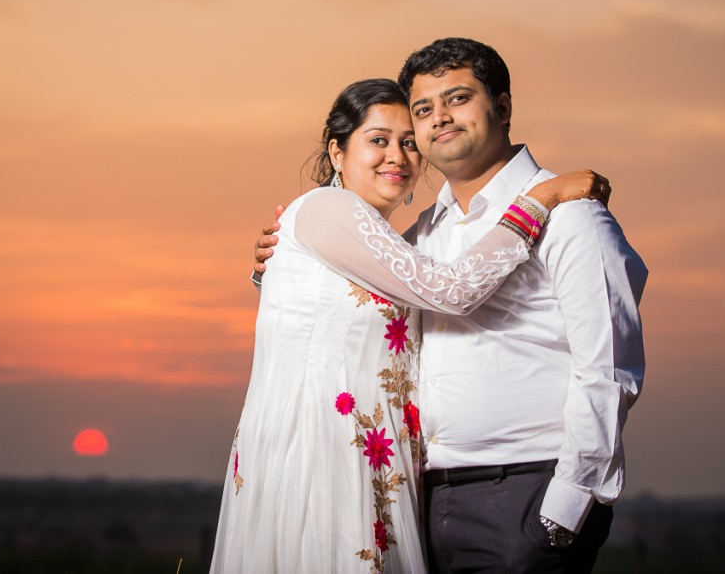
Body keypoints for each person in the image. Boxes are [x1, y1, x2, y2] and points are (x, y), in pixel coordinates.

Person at [255, 38, 647, 573]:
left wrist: (567, 506)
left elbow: (609, 370)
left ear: (502, 107)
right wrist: (277, 266)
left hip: (527, 494)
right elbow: (362, 304)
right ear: (337, 151)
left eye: (458, 98)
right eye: (423, 109)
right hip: (421, 500)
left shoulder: (572, 216)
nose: (438, 118)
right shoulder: (420, 237)